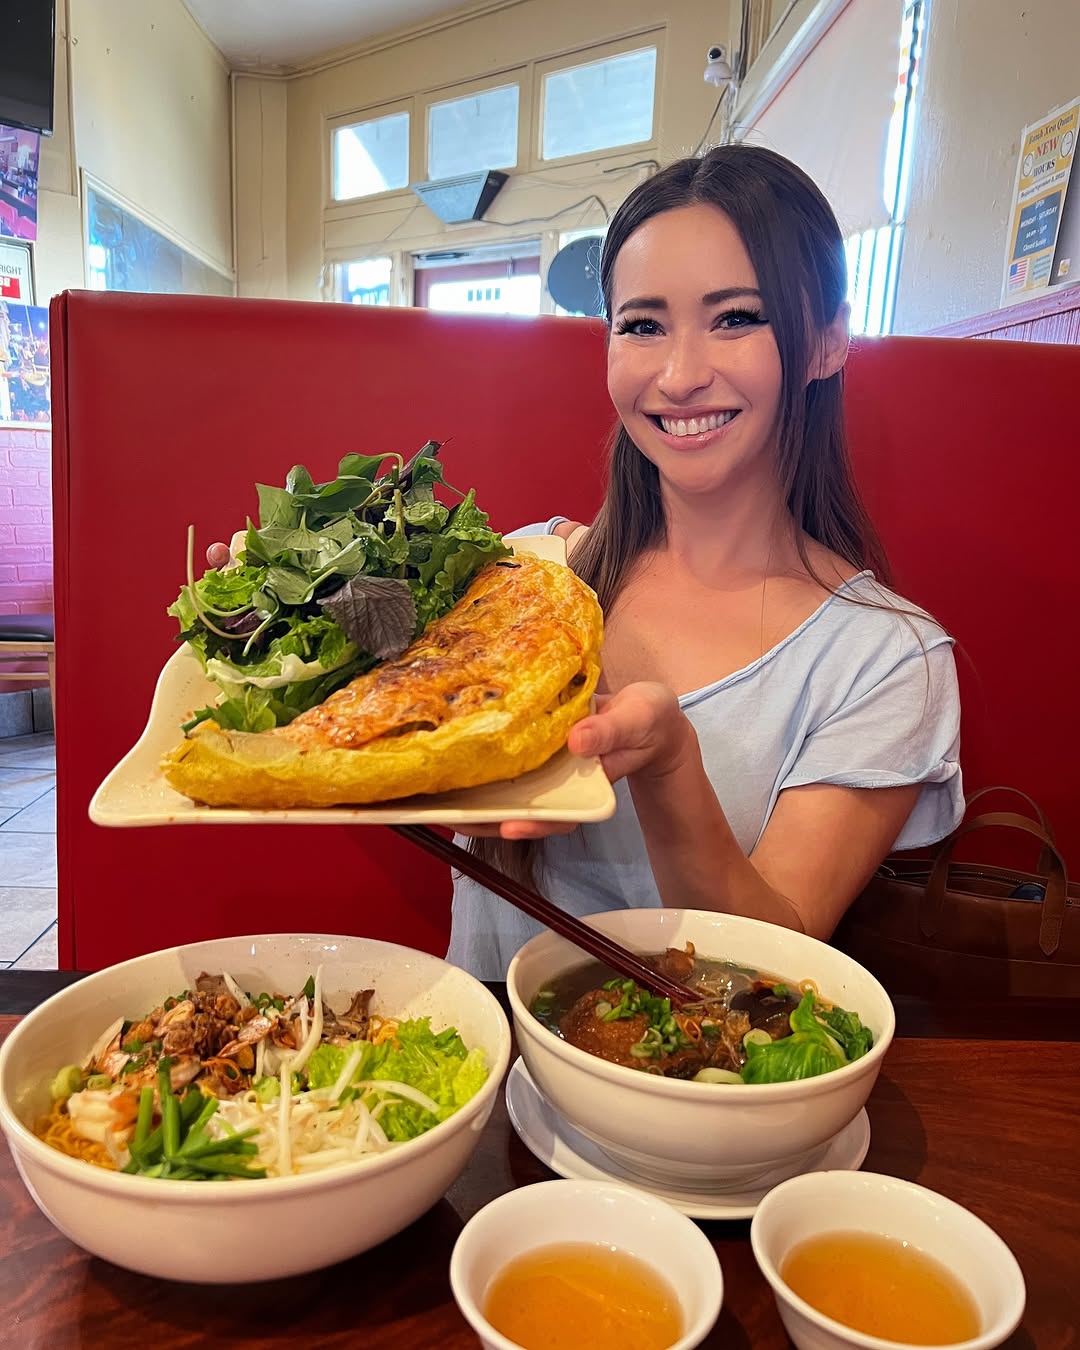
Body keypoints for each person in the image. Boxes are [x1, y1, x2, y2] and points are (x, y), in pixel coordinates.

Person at [445, 145, 963, 980]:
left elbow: (769, 966)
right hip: (476, 1052)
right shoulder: (528, 576)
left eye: (736, 317)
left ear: (828, 340)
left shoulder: (886, 660)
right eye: (643, 326)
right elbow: (373, 736)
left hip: (697, 1066)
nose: (681, 376)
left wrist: (670, 763)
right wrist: (269, 624)